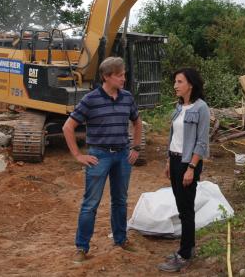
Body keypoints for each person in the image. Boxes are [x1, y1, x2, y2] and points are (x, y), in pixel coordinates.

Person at [63, 56, 143, 264]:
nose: (123, 79)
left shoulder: (127, 97)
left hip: (122, 156)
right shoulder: (90, 99)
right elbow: (68, 127)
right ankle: (81, 248)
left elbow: (137, 122)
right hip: (99, 156)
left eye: (123, 74)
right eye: (119, 75)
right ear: (107, 77)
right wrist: (78, 155)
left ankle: (121, 240)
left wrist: (136, 147)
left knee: (120, 201)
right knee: (90, 204)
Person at [157, 67, 210, 273]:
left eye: (179, 82)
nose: (175, 86)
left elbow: (202, 142)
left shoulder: (201, 108)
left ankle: (185, 254)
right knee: (181, 207)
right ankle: (188, 248)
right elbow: (174, 138)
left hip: (189, 164)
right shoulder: (179, 108)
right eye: (175, 82)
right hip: (175, 160)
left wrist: (191, 168)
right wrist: (168, 162)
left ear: (190, 84)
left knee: (186, 210)